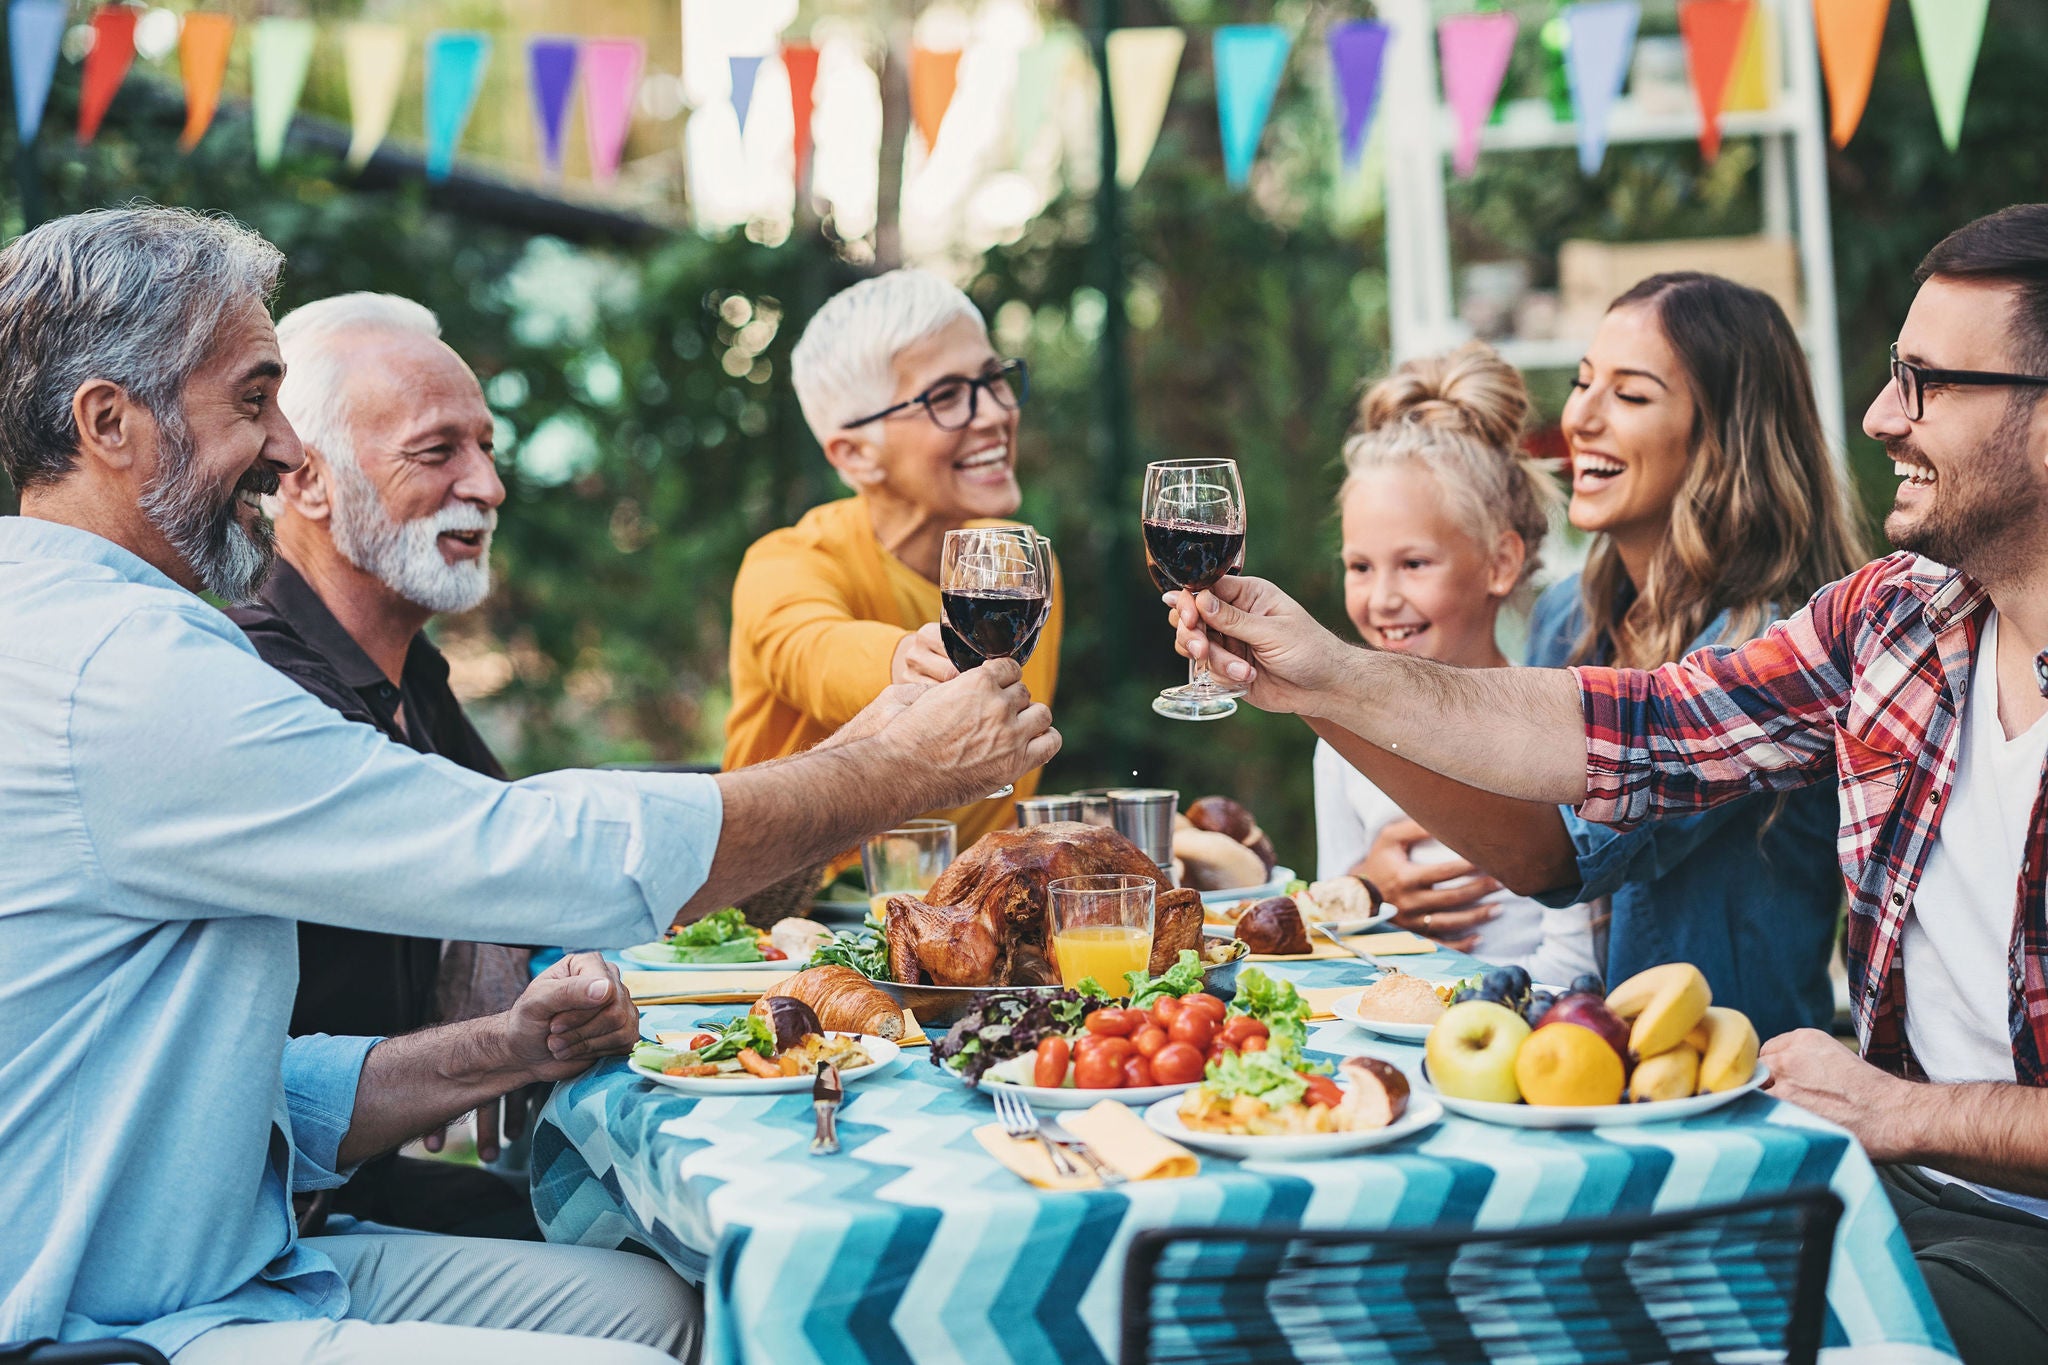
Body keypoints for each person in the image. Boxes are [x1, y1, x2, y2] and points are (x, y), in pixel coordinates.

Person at [0, 207, 1058, 1362]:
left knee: (679, 1310)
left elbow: (227, 1095)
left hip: (232, 1258)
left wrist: (512, 1047)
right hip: (112, 1321)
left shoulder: (106, 634)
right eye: (254, 400)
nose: (285, 448)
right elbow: (525, 854)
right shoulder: (128, 670)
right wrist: (889, 771)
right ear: (109, 423)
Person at [1168, 205, 2048, 1365]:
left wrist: (1898, 1111)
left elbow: (1552, 852)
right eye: (1892, 374)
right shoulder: (1890, 620)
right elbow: (1625, 730)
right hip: (1860, 1171)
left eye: (1926, 383)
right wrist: (1326, 674)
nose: (1882, 415)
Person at [1315, 274, 1863, 1040]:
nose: (1581, 417)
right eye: (1581, 383)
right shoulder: (1566, 616)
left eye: (1630, 396)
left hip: (1732, 1083)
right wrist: (1369, 887)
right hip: (1577, 1064)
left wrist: (1327, 684)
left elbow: (1558, 861)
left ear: (1722, 439)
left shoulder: (1773, 646)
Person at [223, 292, 540, 1240]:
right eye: (438, 450)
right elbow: (503, 857)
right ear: (306, 482)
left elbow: (519, 848)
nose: (487, 485)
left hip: (360, 1188)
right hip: (275, 1225)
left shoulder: (409, 668)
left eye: (486, 447)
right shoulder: (265, 685)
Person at [724, 268, 1064, 865]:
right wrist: (902, 660)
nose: (993, 415)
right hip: (786, 928)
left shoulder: (1022, 564)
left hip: (972, 919)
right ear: (857, 454)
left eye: (992, 379)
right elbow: (812, 649)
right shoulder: (787, 562)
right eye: (947, 396)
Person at [1312, 342, 1595, 982]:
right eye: (1360, 566)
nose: (1382, 599)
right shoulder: (1341, 739)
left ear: (1500, 563)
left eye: (1414, 564)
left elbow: (1575, 961)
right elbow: (1332, 944)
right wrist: (1367, 891)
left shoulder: (1555, 723)